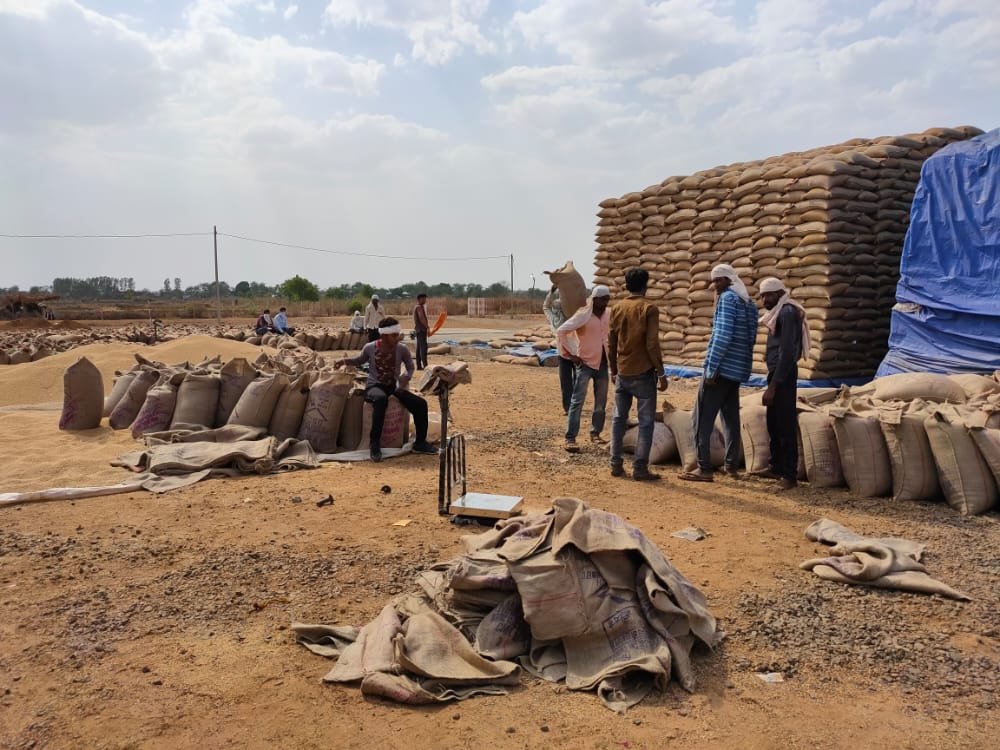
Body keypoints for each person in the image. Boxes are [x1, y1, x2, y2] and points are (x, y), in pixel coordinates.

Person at [680, 264, 758, 483]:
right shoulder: (749, 304)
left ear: (729, 280)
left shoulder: (728, 300)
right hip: (736, 372)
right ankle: (731, 466)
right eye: (714, 281)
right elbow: (751, 338)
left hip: (720, 371)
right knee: (730, 419)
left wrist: (712, 368)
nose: (715, 286)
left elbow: (722, 336)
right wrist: (742, 367)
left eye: (718, 281)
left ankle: (704, 468)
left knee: (702, 418)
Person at [334, 317, 438, 463]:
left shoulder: (402, 348)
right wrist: (344, 361)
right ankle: (374, 444)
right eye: (394, 335)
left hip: (393, 386)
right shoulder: (370, 347)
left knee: (421, 404)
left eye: (398, 334)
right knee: (380, 399)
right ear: (383, 335)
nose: (397, 338)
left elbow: (410, 366)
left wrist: (406, 377)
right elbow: (359, 360)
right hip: (374, 386)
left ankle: (420, 442)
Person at [608, 268, 669, 481]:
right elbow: (652, 343)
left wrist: (613, 369)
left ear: (626, 285)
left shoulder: (616, 308)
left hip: (623, 372)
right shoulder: (649, 309)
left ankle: (615, 464)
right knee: (645, 422)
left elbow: (611, 342)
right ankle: (640, 468)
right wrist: (661, 373)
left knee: (618, 419)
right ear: (646, 285)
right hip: (643, 374)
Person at [758, 277, 810, 490]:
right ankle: (776, 466)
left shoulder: (787, 313)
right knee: (773, 422)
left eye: (768, 295)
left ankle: (789, 475)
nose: (764, 299)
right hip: (777, 373)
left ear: (779, 294)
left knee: (785, 423)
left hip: (784, 375)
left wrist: (774, 385)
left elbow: (787, 352)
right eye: (762, 295)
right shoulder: (780, 312)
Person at [558, 285, 611, 452]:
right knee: (577, 402)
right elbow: (562, 330)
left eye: (607, 299)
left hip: (603, 364)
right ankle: (570, 438)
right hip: (586, 364)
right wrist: (571, 354)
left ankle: (596, 433)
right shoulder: (583, 315)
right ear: (595, 300)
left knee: (601, 403)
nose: (606, 302)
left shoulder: (608, 315)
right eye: (603, 299)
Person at [543, 284, 576, 415]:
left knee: (571, 381)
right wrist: (552, 291)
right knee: (568, 381)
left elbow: (546, 306)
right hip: (566, 352)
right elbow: (546, 307)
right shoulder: (565, 318)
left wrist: (551, 291)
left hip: (575, 351)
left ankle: (571, 406)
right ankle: (569, 407)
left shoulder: (571, 317)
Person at [413, 293, 430, 370]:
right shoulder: (419, 307)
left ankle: (419, 365)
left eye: (425, 299)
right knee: (423, 347)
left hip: (419, 330)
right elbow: (421, 318)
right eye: (423, 299)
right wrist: (427, 326)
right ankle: (425, 365)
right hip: (421, 330)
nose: (425, 300)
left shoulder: (418, 307)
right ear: (419, 299)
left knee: (419, 348)